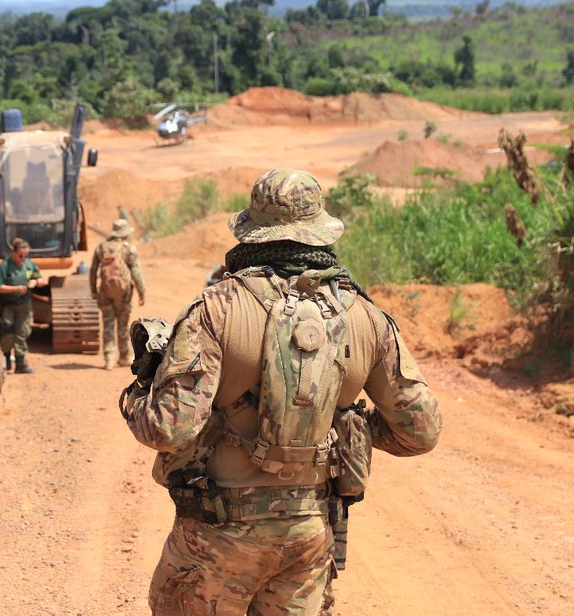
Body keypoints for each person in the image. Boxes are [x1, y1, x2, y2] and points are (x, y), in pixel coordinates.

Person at [122, 168, 443, 615]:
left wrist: (138, 393)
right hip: (309, 537)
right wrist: (353, 423)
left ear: (252, 234)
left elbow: (168, 430)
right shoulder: (367, 316)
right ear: (319, 234)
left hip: (218, 533)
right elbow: (421, 432)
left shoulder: (214, 308)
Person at [90, 218, 146, 370]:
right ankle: (124, 357)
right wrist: (142, 293)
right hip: (124, 294)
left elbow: (93, 270)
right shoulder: (129, 249)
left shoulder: (101, 248)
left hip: (105, 293)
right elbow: (136, 272)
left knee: (108, 325)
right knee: (123, 326)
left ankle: (109, 358)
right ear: (125, 233)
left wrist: (94, 290)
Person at [0, 237, 46, 374]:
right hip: (8, 305)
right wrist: (15, 289)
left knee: (22, 332)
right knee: (7, 333)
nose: (23, 258)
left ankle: (20, 363)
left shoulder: (29, 264)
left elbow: (41, 279)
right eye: (21, 255)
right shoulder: (5, 266)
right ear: (13, 252)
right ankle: (6, 360)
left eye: (26, 255)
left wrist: (35, 282)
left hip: (24, 304)